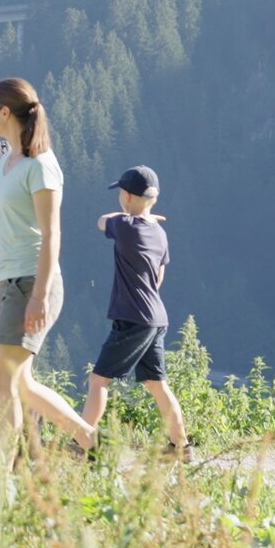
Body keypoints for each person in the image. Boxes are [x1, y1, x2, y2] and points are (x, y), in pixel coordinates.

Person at [0, 78, 96, 461]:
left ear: (4, 112)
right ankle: (89, 439)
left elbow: (51, 234)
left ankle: (8, 467)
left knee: (0, 375)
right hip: (11, 279)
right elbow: (9, 224)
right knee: (21, 382)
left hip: (34, 280)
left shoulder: (42, 166)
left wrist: (39, 296)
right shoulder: (8, 160)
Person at [81, 166, 193, 461]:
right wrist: (147, 218)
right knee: (157, 385)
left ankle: (84, 443)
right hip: (157, 317)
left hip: (133, 318)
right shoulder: (160, 232)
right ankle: (180, 447)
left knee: (98, 381)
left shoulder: (125, 226)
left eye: (121, 192)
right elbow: (158, 278)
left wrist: (130, 217)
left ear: (127, 196)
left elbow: (101, 221)